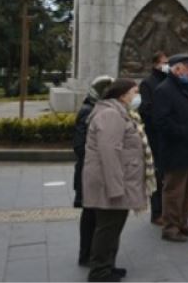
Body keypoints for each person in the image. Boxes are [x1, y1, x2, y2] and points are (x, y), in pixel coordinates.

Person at [82, 79, 154, 282]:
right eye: (134, 92)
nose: (136, 96)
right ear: (122, 95)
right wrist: (115, 188)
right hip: (110, 184)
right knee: (107, 229)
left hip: (118, 181)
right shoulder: (110, 115)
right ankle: (99, 272)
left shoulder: (120, 112)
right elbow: (109, 153)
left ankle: (108, 266)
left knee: (113, 228)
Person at [153, 53, 188, 242]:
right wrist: (184, 132)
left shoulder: (187, 87)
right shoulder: (165, 90)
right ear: (177, 69)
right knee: (174, 191)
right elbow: (161, 121)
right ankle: (170, 227)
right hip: (176, 150)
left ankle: (183, 222)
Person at [73, 75, 114, 268]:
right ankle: (87, 254)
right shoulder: (88, 112)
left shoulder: (101, 111)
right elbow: (80, 147)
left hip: (97, 172)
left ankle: (96, 255)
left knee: (98, 215)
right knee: (90, 215)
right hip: (89, 172)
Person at [138, 52, 168, 226]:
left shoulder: (169, 81)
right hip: (156, 136)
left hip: (169, 137)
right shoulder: (147, 83)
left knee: (168, 176)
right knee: (157, 176)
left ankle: (168, 209)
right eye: (165, 62)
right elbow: (145, 109)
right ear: (155, 64)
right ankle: (157, 213)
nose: (167, 65)